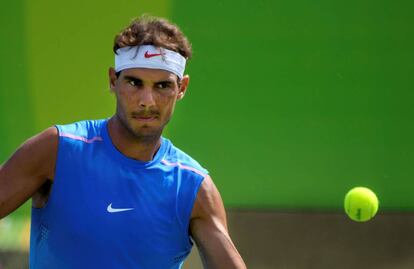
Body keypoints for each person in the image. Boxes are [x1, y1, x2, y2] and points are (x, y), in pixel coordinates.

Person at [0, 15, 247, 269]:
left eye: (162, 86)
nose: (147, 101)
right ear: (112, 80)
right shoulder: (57, 149)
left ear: (182, 88)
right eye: (134, 83)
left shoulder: (195, 188)